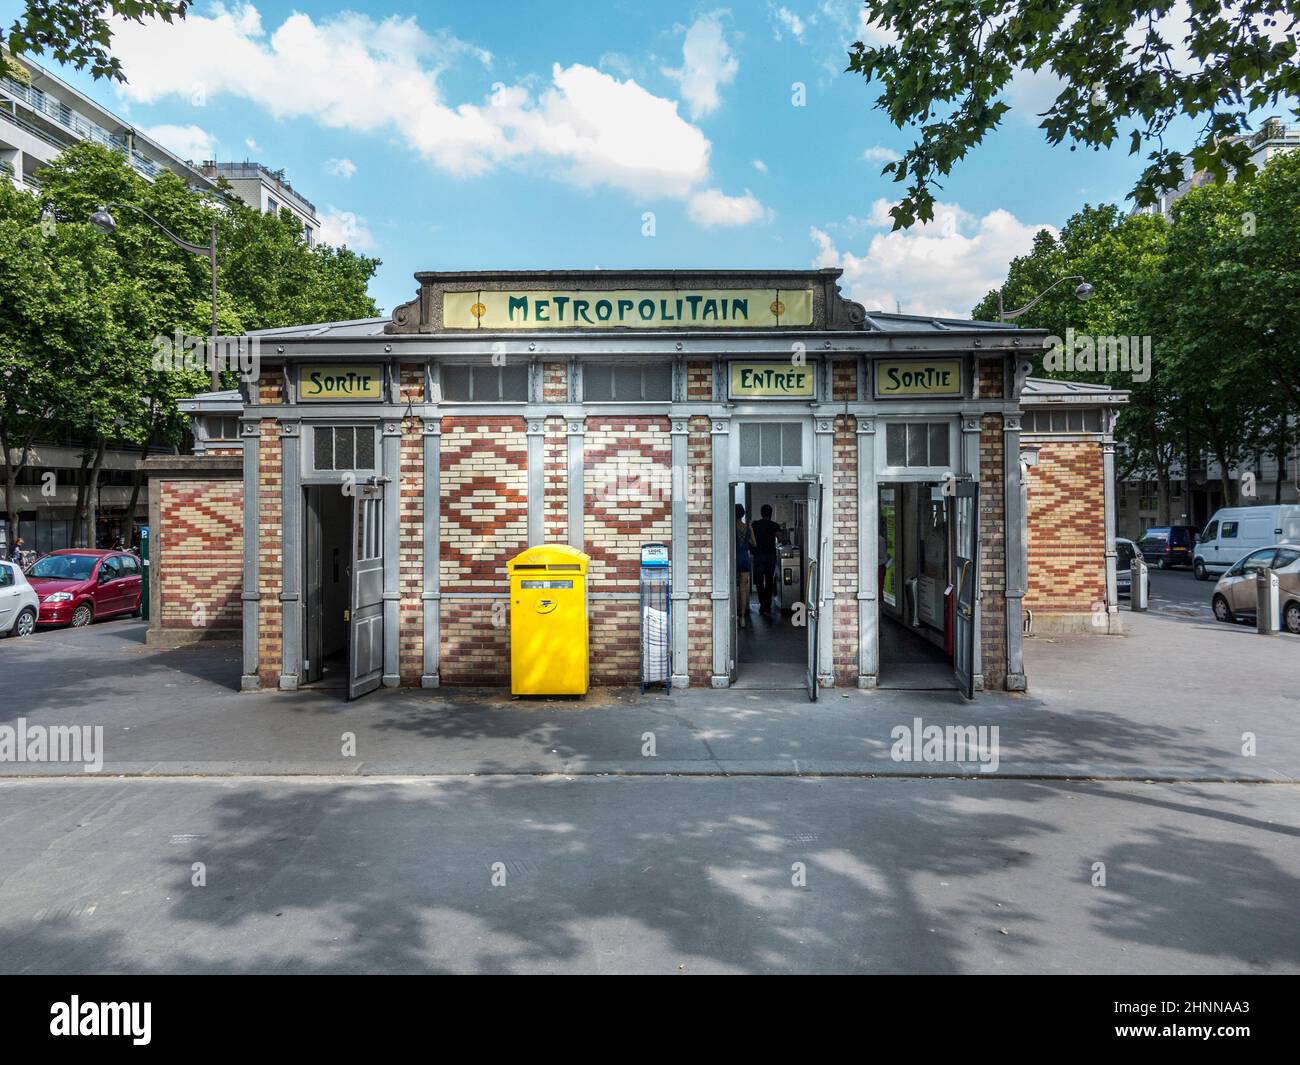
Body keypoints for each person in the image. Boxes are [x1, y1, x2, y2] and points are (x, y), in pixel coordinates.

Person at [751, 504, 781, 616]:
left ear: (761, 513)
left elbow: (750, 538)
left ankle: (762, 603)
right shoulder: (774, 525)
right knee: (769, 581)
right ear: (771, 513)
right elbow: (780, 537)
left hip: (758, 556)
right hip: (770, 556)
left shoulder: (755, 525)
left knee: (759, 582)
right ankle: (767, 605)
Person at [735, 503, 756, 629]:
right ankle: (742, 617)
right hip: (744, 559)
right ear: (743, 514)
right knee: (743, 589)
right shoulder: (747, 527)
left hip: (733, 559)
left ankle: (733, 614)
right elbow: (754, 543)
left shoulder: (732, 527)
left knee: (732, 587)